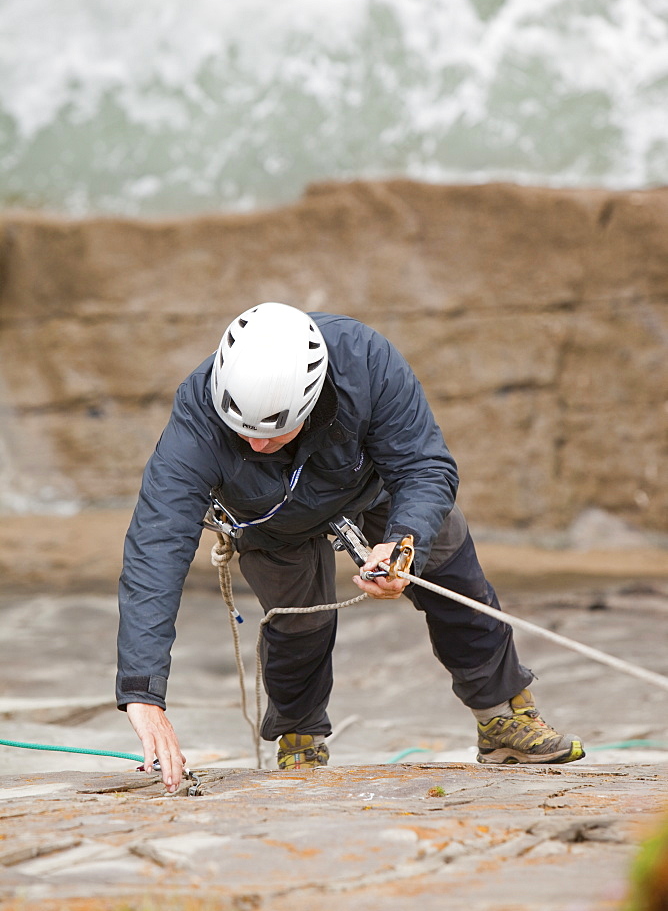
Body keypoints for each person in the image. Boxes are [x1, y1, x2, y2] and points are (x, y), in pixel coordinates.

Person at [117, 303, 584, 791]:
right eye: (244, 434)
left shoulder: (365, 361)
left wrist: (403, 546)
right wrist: (142, 694)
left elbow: (425, 467)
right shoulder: (197, 418)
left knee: (447, 563)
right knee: (298, 621)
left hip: (372, 487)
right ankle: (299, 736)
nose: (257, 445)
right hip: (270, 521)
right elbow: (156, 545)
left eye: (274, 432)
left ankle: (502, 716)